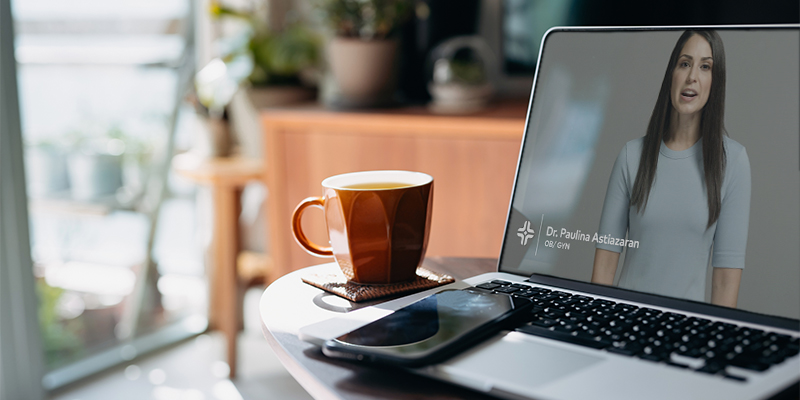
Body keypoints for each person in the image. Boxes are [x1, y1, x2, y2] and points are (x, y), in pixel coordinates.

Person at [590, 30, 751, 308]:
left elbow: (725, 281)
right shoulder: (632, 156)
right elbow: (604, 268)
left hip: (687, 331)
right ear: (672, 75)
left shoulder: (733, 161)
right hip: (624, 324)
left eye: (705, 66)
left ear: (716, 81)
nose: (692, 77)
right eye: (685, 63)